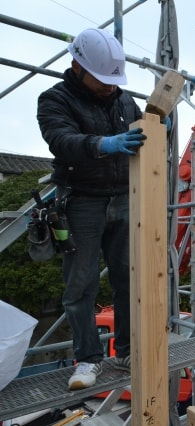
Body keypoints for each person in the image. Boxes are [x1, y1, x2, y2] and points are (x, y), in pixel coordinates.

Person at [37, 28, 146, 390]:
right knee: (80, 285)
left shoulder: (124, 100)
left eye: (113, 81)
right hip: (82, 199)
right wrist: (105, 143)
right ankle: (87, 359)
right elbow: (61, 140)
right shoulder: (54, 99)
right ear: (77, 67)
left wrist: (158, 125)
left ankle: (127, 350)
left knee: (128, 279)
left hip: (124, 196)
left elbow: (143, 129)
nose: (110, 88)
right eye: (102, 81)